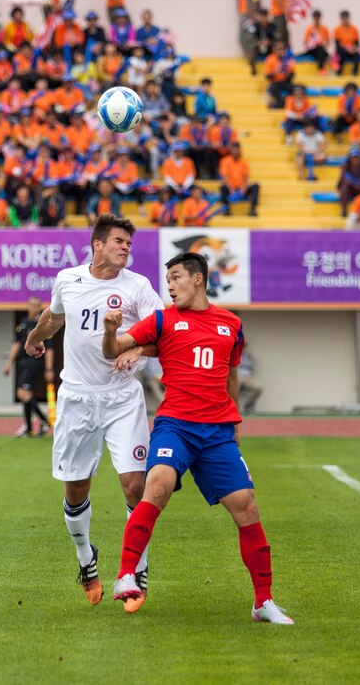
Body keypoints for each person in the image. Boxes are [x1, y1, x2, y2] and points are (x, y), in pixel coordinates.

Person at [103, 251, 294, 624]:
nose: (170, 286)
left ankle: (263, 602)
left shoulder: (231, 325)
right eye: (168, 280)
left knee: (246, 505)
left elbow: (231, 376)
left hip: (218, 431)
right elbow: (113, 349)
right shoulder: (161, 320)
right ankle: (126, 575)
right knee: (156, 484)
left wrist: (235, 420)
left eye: (176, 278)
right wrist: (112, 332)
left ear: (199, 279)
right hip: (175, 424)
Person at [24, 214, 164, 606]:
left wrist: (137, 349)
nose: (125, 248)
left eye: (129, 244)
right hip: (78, 398)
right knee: (75, 488)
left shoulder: (138, 287)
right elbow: (53, 317)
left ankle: (136, 571)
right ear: (97, 244)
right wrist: (35, 338)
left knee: (137, 484)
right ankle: (87, 559)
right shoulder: (68, 279)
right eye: (119, 241)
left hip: (122, 397)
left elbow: (166, 331)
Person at [4, 297, 52, 438]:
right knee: (25, 394)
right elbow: (17, 344)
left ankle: (44, 421)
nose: (34, 308)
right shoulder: (23, 323)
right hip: (23, 363)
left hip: (34, 362)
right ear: (27, 306)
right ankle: (29, 429)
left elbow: (49, 348)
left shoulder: (42, 324)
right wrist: (9, 364)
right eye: (31, 305)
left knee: (22, 393)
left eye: (36, 306)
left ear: (40, 307)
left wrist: (49, 368)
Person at [219, 142, 260, 217]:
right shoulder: (225, 161)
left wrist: (244, 187)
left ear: (239, 150)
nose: (235, 151)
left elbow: (246, 177)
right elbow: (224, 177)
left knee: (256, 186)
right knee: (222, 188)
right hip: (231, 188)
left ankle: (252, 209)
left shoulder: (243, 162)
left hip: (241, 188)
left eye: (236, 149)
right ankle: (226, 209)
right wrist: (231, 188)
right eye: (233, 149)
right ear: (231, 150)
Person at [235, 0, 260, 66]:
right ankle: (247, 55)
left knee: (249, 36)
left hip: (248, 14)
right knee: (242, 36)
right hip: (242, 12)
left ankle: (251, 57)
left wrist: (252, 14)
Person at [337, 148, 360, 217]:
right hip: (350, 188)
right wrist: (354, 183)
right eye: (353, 158)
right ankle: (344, 209)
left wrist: (359, 183)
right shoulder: (345, 165)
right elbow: (344, 178)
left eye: (357, 157)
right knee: (345, 188)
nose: (355, 159)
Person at [264, 41, 295, 108]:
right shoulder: (270, 59)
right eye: (279, 49)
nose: (281, 51)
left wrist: (287, 74)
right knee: (272, 89)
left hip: (286, 81)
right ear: (274, 50)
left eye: (282, 49)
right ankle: (282, 103)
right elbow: (267, 76)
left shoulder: (288, 59)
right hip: (275, 82)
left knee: (295, 89)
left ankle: (285, 104)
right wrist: (274, 73)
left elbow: (292, 74)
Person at [237, 343, 263, 415]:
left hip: (247, 377)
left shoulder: (249, 356)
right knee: (235, 386)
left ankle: (248, 406)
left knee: (258, 387)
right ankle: (234, 407)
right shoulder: (234, 354)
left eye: (244, 347)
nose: (243, 349)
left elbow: (251, 368)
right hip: (237, 376)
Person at [333, 11, 360, 76]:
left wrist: (353, 49)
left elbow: (356, 43)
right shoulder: (337, 29)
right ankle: (339, 71)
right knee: (342, 53)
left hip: (352, 49)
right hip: (342, 49)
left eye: (346, 18)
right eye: (343, 18)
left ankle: (355, 71)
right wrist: (346, 49)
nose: (345, 20)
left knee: (357, 55)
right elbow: (337, 44)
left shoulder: (354, 29)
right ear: (341, 19)